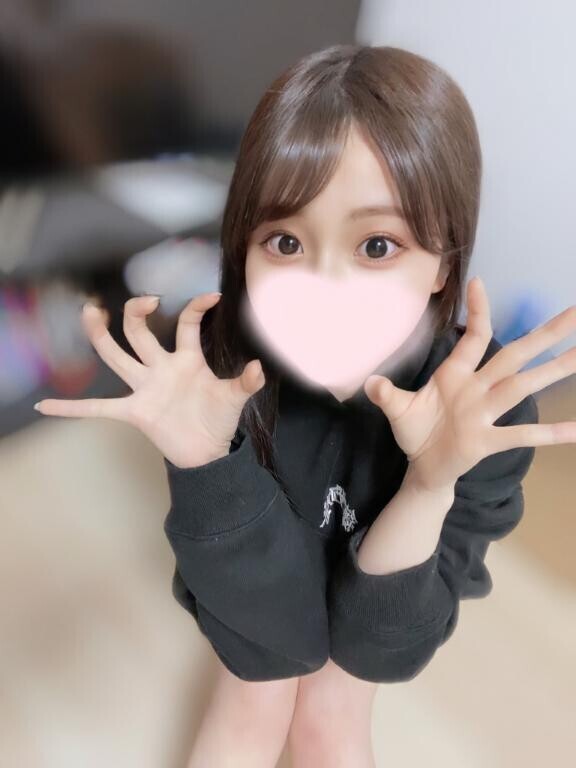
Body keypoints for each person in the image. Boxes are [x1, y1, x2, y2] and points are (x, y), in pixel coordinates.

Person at [34, 44, 576, 768]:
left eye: (376, 245)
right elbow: (264, 632)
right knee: (252, 698)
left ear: (444, 261)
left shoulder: (481, 418)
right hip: (260, 579)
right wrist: (204, 463)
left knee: (329, 717)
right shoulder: (221, 373)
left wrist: (427, 486)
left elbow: (383, 647)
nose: (325, 286)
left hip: (386, 596)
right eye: (285, 240)